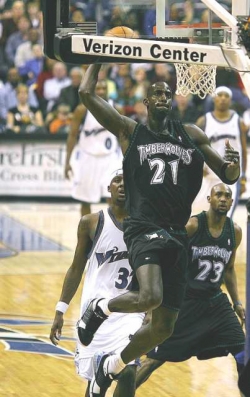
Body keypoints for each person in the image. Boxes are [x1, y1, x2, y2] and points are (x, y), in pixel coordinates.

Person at [77, 64, 241, 395]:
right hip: (143, 227)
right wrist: (98, 59)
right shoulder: (130, 131)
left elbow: (226, 175)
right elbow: (85, 94)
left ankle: (111, 365)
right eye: (156, 93)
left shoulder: (191, 134)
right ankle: (99, 308)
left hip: (175, 233)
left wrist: (233, 166)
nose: (163, 96)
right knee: (150, 296)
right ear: (146, 103)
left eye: (167, 93)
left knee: (164, 328)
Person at [135, 183, 245, 390]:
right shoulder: (193, 226)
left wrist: (237, 302)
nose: (223, 198)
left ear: (232, 202)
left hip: (215, 304)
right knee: (153, 360)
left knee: (242, 351)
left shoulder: (234, 231)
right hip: (185, 302)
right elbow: (166, 261)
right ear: (209, 199)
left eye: (227, 196)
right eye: (218, 194)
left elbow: (229, 269)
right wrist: (154, 305)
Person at [49, 170, 144, 397]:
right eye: (116, 181)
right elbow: (75, 268)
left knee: (129, 372)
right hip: (94, 315)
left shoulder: (143, 225)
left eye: (127, 181)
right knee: (96, 385)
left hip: (129, 313)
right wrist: (60, 309)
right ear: (108, 189)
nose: (122, 185)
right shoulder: (91, 222)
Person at [64, 79, 122, 216]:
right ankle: (87, 233)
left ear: (108, 91)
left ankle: (114, 231)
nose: (101, 91)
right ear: (93, 90)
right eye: (98, 89)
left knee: (114, 199)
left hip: (110, 158)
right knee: (85, 200)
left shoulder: (117, 109)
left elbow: (123, 136)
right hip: (87, 157)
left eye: (104, 88)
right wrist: (67, 162)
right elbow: (72, 136)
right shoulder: (82, 110)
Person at [195, 86, 248, 217]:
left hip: (231, 176)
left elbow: (243, 150)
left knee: (225, 217)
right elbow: (193, 148)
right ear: (214, 98)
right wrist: (197, 167)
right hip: (208, 177)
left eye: (226, 96)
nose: (223, 98)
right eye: (220, 95)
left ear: (230, 100)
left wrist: (243, 179)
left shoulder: (238, 121)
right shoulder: (203, 121)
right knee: (201, 215)